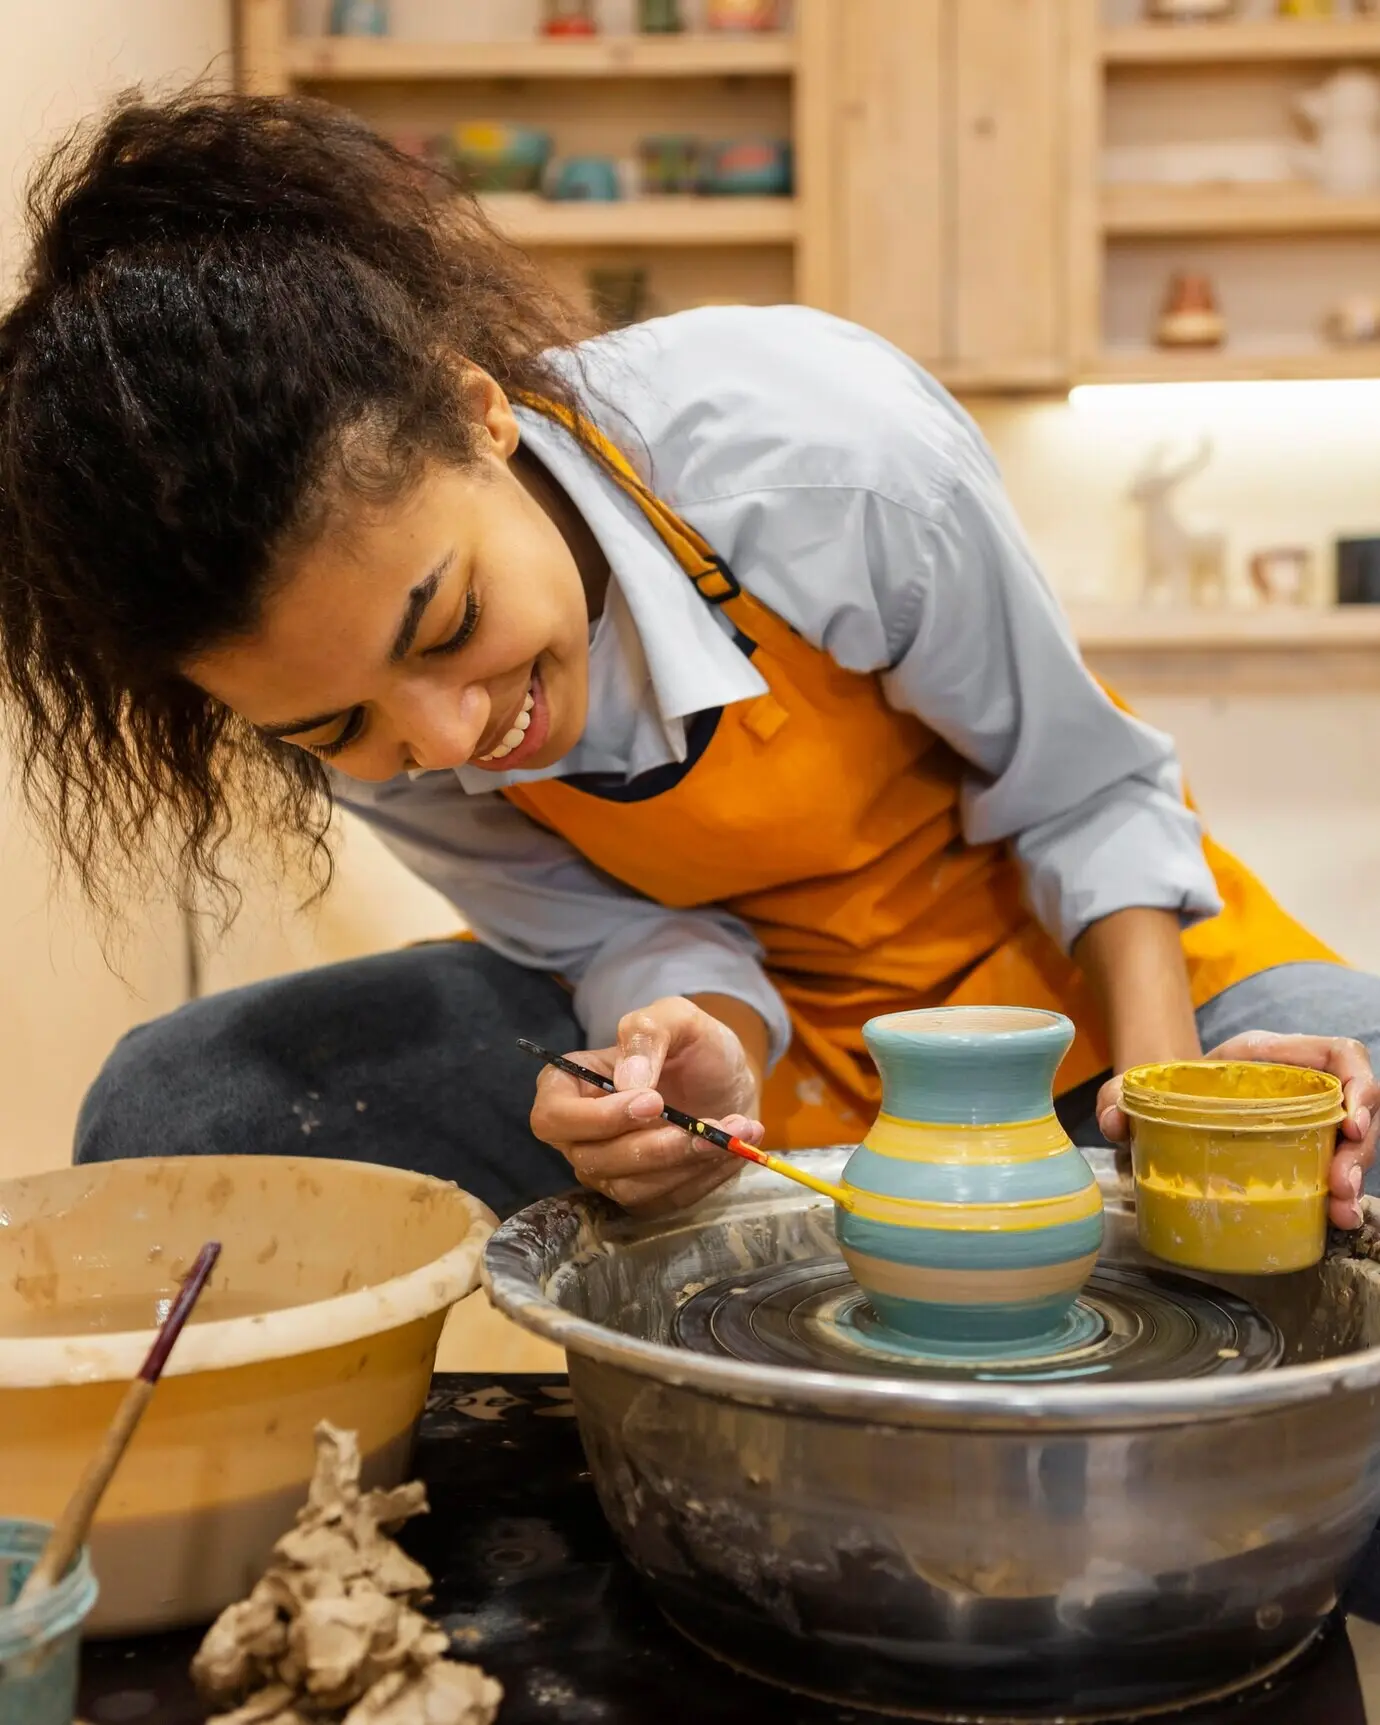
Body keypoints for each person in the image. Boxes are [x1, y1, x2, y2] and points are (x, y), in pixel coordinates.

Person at [0, 90, 1376, 1225]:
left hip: (1093, 1010)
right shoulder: (333, 692)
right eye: (338, 727)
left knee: (1352, 1129)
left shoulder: (816, 451)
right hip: (773, 1092)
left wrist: (1175, 1114)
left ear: (479, 414)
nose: (449, 736)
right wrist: (689, 1063)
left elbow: (1082, 793)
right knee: (182, 1106)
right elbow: (617, 933)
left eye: (449, 626)